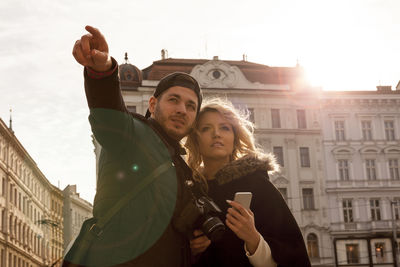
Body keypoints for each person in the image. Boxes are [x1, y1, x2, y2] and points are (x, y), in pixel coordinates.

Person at [65, 25, 211, 267]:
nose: (181, 110)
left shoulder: (182, 167)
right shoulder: (132, 135)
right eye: (174, 100)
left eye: (190, 106)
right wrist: (102, 71)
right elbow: (110, 115)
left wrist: (198, 239)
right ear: (153, 105)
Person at [185, 98, 311, 267]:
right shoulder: (190, 191)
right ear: (195, 139)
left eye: (225, 128)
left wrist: (253, 238)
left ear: (235, 138)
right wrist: (191, 250)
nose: (217, 134)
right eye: (206, 128)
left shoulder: (257, 184)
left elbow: (292, 253)